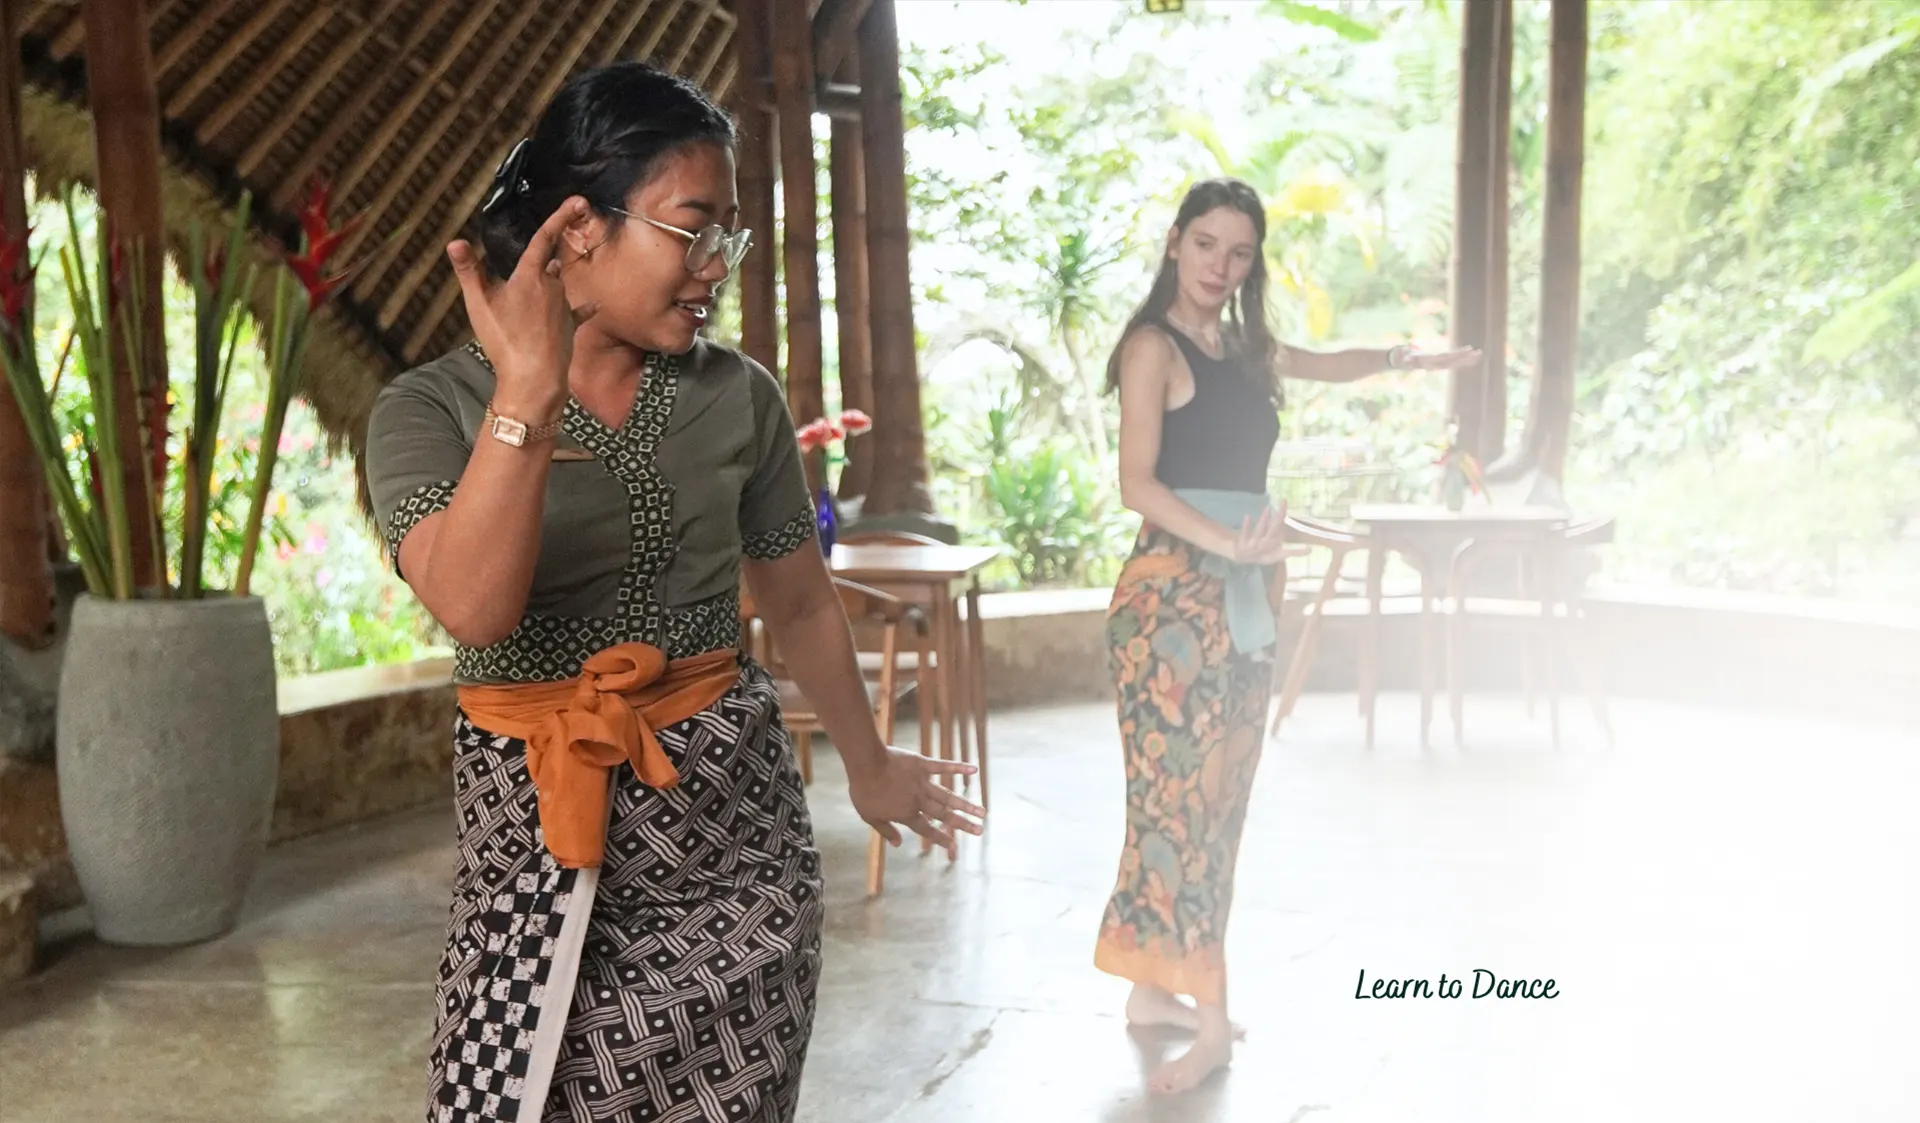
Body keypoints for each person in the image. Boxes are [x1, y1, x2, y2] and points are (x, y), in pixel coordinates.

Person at [362, 63, 984, 1123]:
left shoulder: (738, 398)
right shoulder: (429, 410)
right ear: (581, 228)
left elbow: (795, 600)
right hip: (534, 855)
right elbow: (475, 609)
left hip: (736, 858)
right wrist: (525, 395)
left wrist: (871, 768)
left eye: (728, 238)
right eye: (693, 229)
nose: (715, 268)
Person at [1093, 177, 1479, 1096]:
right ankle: (1212, 1023)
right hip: (1170, 605)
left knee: (1216, 805)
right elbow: (1137, 484)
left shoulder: (1244, 346)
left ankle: (1156, 990)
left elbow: (1325, 362)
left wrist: (1403, 359)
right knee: (1182, 804)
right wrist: (1231, 539)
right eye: (1206, 246)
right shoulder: (1152, 347)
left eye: (1240, 252)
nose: (1221, 266)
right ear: (1176, 244)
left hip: (1245, 593)